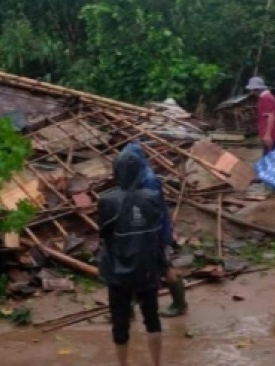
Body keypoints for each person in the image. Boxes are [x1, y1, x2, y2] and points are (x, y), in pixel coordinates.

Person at [98, 149, 165, 366]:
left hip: (118, 269)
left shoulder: (108, 201)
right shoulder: (153, 197)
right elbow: (157, 232)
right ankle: (156, 363)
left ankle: (123, 364)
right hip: (147, 268)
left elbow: (105, 235)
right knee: (152, 319)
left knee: (120, 322)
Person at [122, 141, 188, 317]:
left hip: (153, 231)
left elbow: (153, 210)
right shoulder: (137, 175)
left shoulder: (148, 180)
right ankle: (127, 308)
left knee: (164, 266)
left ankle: (179, 304)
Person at [246, 76, 275, 156]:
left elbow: (271, 117)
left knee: (271, 162)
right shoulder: (265, 97)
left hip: (273, 136)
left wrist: (267, 135)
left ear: (255, 89)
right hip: (272, 135)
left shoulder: (266, 98)